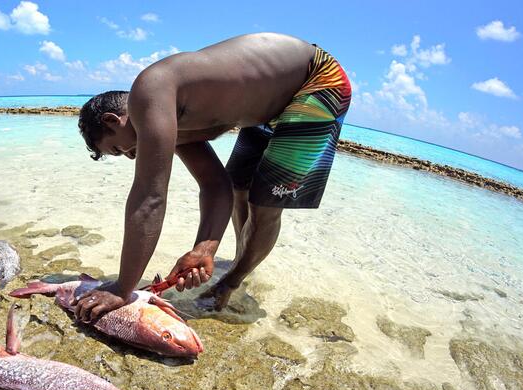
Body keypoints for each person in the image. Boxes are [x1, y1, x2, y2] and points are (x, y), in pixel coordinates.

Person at [73, 32, 351, 321]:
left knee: (264, 205)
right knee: (238, 188)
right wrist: (204, 248)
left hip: (318, 81)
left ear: (112, 119)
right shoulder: (174, 123)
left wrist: (122, 288)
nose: (131, 155)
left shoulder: (148, 92)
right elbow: (216, 186)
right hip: (269, 107)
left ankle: (231, 281)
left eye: (119, 148)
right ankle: (240, 262)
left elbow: (150, 197)